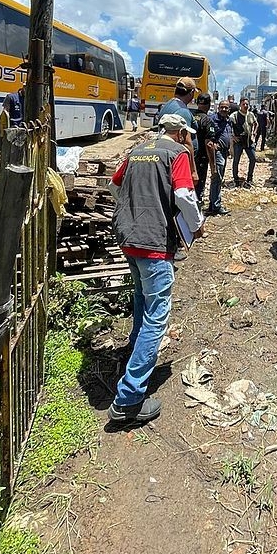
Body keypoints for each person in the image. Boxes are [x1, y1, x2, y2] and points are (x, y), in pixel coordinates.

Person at [107, 112, 204, 426]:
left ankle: (134, 353)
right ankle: (128, 400)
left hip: (129, 237)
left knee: (141, 298)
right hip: (153, 242)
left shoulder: (137, 151)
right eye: (186, 136)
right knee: (156, 315)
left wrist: (136, 207)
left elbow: (114, 185)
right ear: (180, 133)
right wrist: (197, 225)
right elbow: (184, 195)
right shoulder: (176, 153)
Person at [156, 77, 198, 182]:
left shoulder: (168, 105)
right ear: (191, 93)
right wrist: (193, 171)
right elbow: (186, 142)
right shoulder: (182, 111)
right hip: (178, 161)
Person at [208, 99, 232, 216]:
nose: (224, 109)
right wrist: (214, 143)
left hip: (224, 152)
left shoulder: (228, 120)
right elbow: (208, 136)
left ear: (229, 109)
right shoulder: (213, 119)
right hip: (216, 153)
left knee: (218, 178)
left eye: (226, 107)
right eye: (222, 107)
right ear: (218, 108)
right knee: (217, 178)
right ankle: (216, 206)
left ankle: (213, 204)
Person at [193, 93, 217, 203]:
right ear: (209, 105)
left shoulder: (190, 117)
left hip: (187, 156)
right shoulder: (207, 120)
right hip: (200, 159)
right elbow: (209, 144)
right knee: (198, 185)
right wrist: (213, 166)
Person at [230, 97, 257, 187]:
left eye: (247, 104)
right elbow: (228, 126)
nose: (245, 106)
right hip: (239, 142)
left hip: (249, 141)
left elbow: (256, 123)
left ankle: (250, 178)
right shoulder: (234, 115)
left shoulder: (251, 115)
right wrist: (232, 136)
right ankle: (236, 179)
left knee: (253, 159)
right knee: (236, 160)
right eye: (243, 104)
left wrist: (254, 132)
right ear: (240, 105)